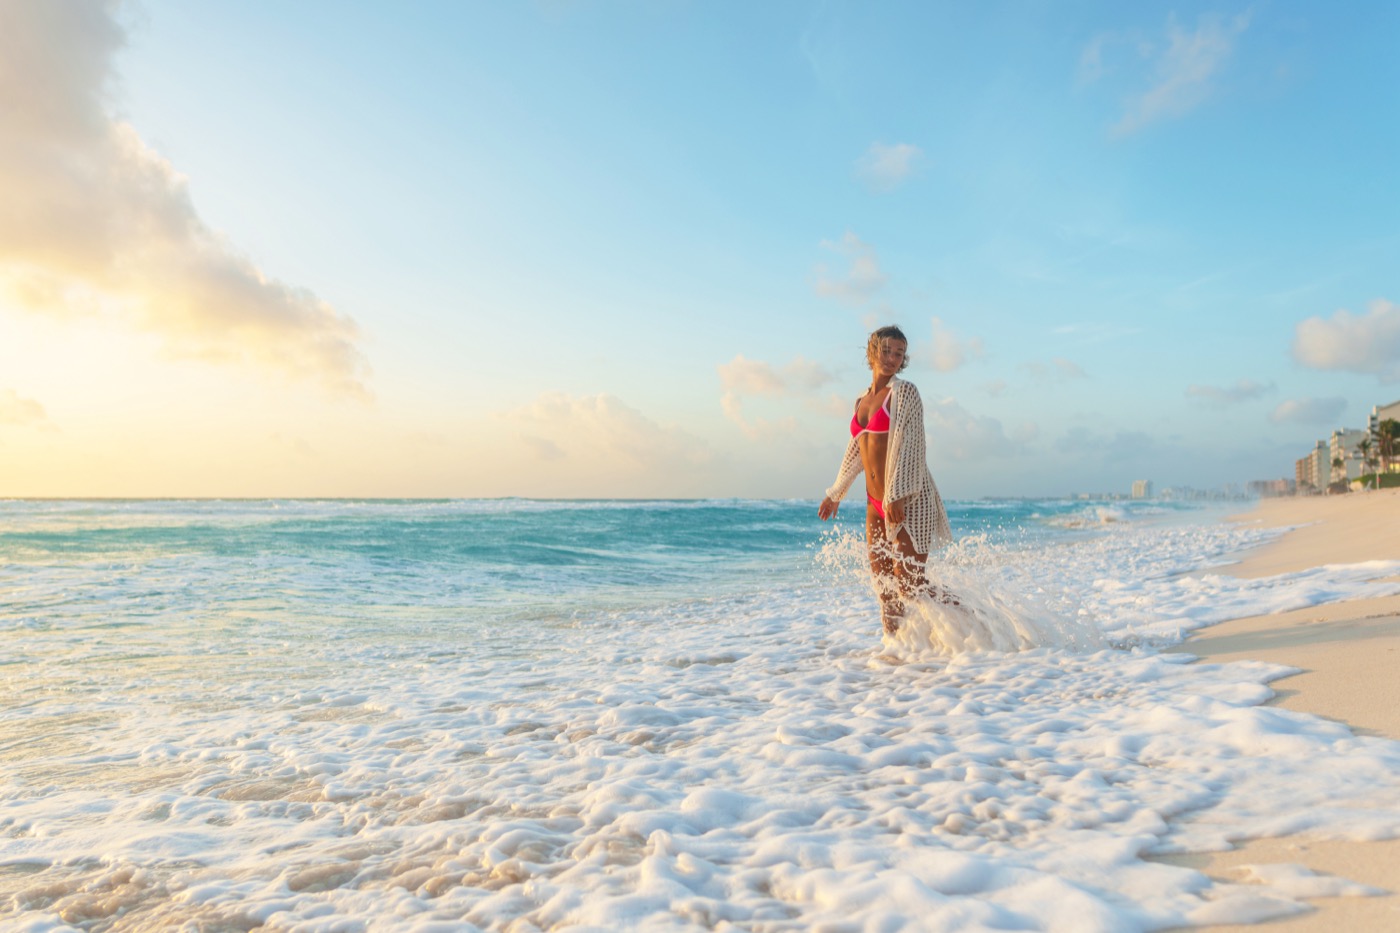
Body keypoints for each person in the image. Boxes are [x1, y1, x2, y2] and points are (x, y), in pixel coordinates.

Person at [818, 325, 954, 633]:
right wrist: (836, 492)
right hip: (874, 505)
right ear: (872, 351)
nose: (892, 358)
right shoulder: (861, 401)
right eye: (887, 350)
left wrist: (897, 495)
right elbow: (856, 450)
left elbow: (914, 446)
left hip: (910, 500)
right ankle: (896, 658)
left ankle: (975, 619)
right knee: (885, 590)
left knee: (910, 586)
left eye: (899, 353)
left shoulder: (904, 393)